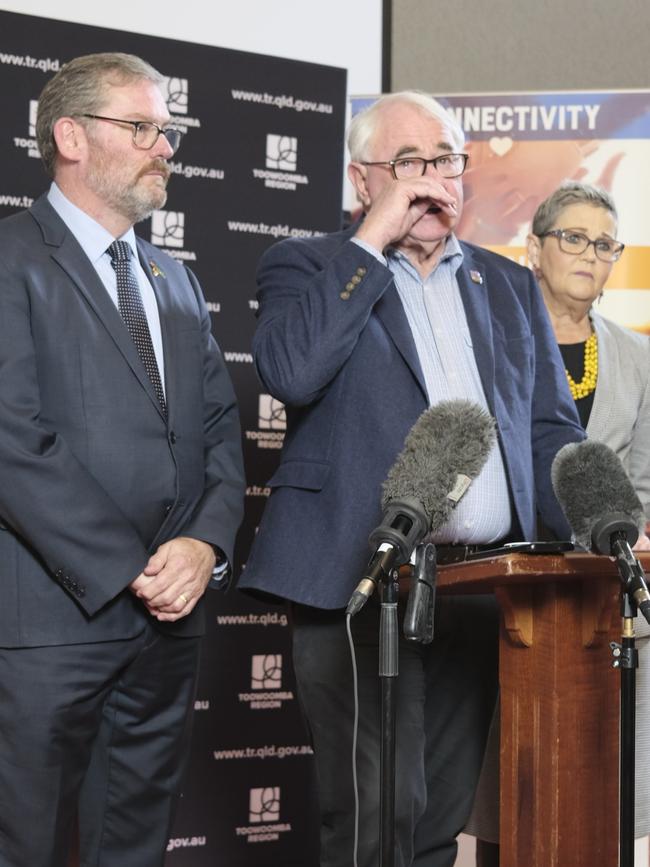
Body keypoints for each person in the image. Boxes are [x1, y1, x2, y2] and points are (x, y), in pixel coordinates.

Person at [238, 90, 585, 867]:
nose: (435, 182)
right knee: (373, 816)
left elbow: (548, 426)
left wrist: (597, 520)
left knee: (438, 814)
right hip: (359, 579)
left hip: (479, 583)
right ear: (364, 181)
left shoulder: (506, 283)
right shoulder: (307, 263)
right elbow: (291, 372)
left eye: (448, 161)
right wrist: (371, 243)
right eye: (409, 164)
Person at [0, 52, 245, 867]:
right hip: (47, 628)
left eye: (165, 130)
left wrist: (201, 545)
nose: (163, 146)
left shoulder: (174, 279)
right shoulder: (9, 261)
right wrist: (131, 566)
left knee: (134, 849)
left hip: (167, 624)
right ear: (71, 135)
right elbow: (13, 441)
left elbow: (218, 430)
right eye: (141, 127)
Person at [467, 180, 650, 861]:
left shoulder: (637, 356)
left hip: (603, 599)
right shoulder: (489, 340)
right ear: (533, 249)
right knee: (509, 794)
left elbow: (643, 482)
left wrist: (623, 538)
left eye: (604, 243)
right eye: (573, 237)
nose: (590, 254)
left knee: (603, 793)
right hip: (507, 595)